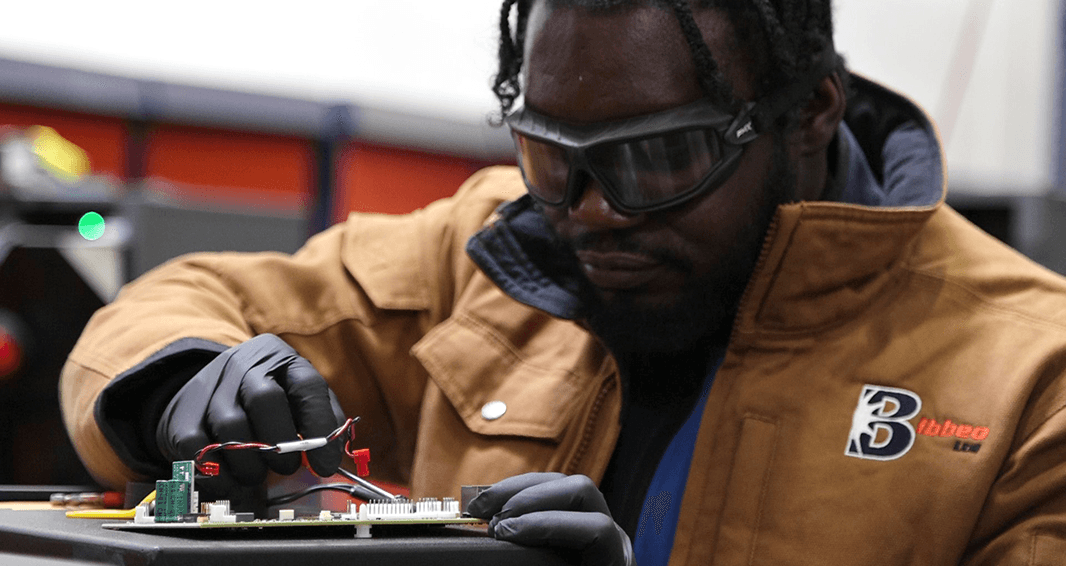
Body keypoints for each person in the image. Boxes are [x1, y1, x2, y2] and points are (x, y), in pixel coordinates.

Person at [59, 0, 1066, 564]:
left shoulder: (1029, 377)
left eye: (659, 156)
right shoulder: (485, 248)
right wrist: (178, 379)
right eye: (552, 149)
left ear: (809, 114)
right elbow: (184, 295)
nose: (592, 208)